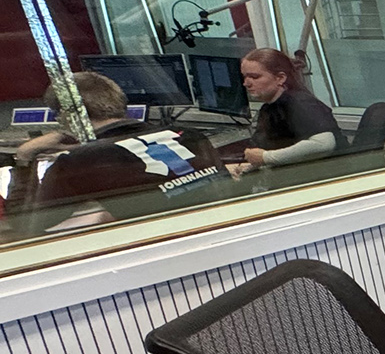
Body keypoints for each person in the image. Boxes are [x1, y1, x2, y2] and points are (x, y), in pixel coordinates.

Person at [9, 71, 226, 233]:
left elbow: (27, 227)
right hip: (215, 233)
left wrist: (25, 157)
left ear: (69, 116)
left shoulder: (78, 162)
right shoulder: (190, 136)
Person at [238, 48, 343, 169]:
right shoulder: (268, 108)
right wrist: (251, 167)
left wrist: (266, 157)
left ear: (280, 78)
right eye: (245, 77)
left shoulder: (301, 103)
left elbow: (324, 144)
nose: (246, 83)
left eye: (254, 77)